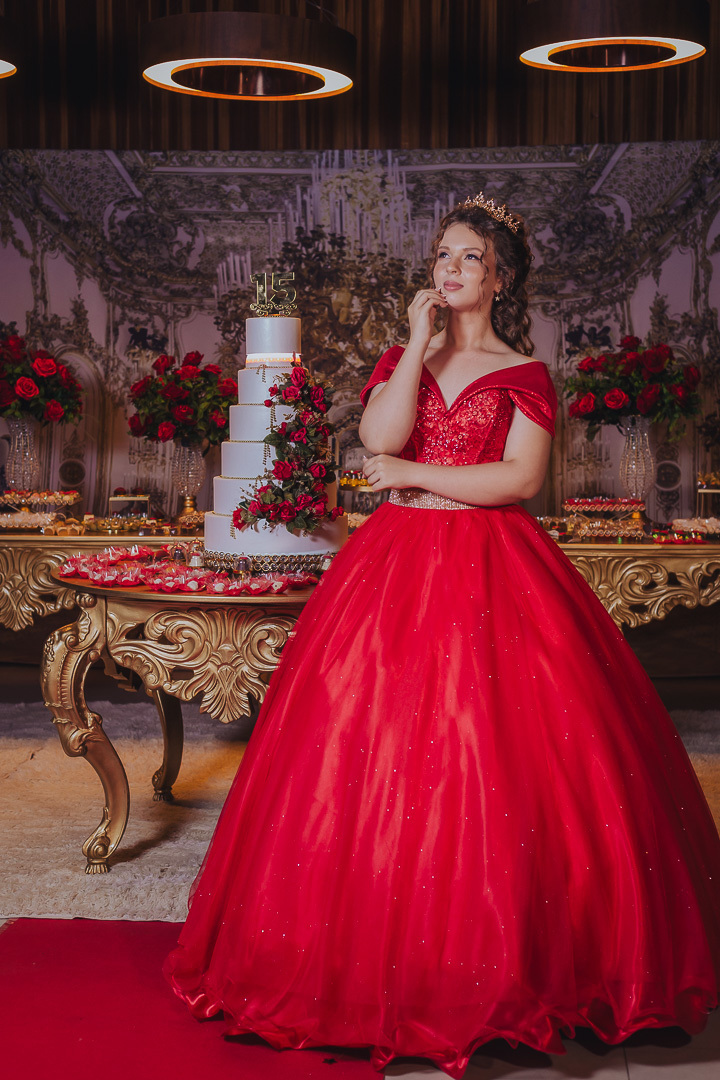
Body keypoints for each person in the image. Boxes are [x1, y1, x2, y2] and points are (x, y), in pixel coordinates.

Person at [165, 195, 720, 1078]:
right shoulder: (404, 356)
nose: (448, 269)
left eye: (467, 258)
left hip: (493, 564)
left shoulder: (527, 374)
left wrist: (411, 472)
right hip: (395, 562)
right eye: (441, 256)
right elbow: (378, 435)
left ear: (499, 277)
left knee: (495, 749)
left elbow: (519, 480)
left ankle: (511, 967)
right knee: (369, 750)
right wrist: (416, 349)